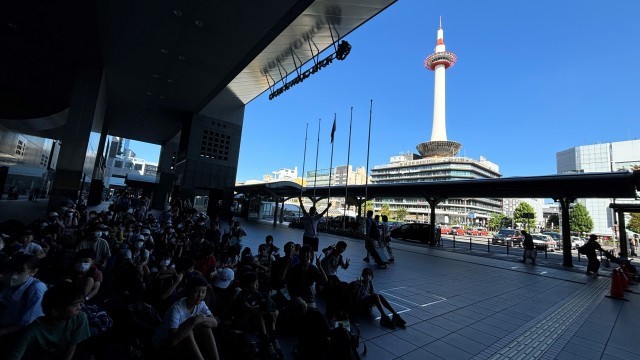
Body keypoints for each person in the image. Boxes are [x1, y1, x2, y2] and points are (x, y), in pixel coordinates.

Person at [8, 280, 91, 360]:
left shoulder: (79, 318)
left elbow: (71, 347)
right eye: (75, 305)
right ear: (55, 311)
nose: (79, 308)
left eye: (80, 303)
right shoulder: (32, 331)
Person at [153, 275, 220, 360]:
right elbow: (173, 341)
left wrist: (199, 320)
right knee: (188, 331)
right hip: (163, 343)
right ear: (188, 291)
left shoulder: (201, 304)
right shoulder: (176, 309)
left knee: (206, 328)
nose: (200, 295)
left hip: (181, 341)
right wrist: (193, 321)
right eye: (196, 291)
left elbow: (215, 323)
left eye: (203, 291)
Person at [0, 254, 48, 348]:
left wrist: (3, 331)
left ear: (33, 271)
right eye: (12, 269)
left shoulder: (36, 290)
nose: (14, 274)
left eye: (20, 270)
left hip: (16, 335)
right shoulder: (12, 283)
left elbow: (31, 323)